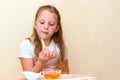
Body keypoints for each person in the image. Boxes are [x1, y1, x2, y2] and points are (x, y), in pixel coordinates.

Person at [19, 5, 69, 74]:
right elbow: (28, 77)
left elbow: (65, 72)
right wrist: (41, 62)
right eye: (42, 22)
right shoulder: (26, 45)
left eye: (51, 24)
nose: (46, 27)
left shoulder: (60, 46)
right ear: (35, 24)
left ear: (56, 28)